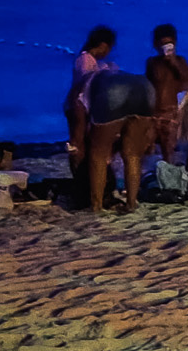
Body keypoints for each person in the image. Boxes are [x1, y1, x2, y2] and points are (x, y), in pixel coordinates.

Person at [84, 63, 156, 212]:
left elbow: (80, 124)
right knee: (132, 155)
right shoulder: (112, 72)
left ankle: (96, 206)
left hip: (113, 91)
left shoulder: (83, 87)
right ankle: (131, 203)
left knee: (98, 154)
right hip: (144, 87)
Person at [66, 26, 117, 154]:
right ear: (103, 45)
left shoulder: (91, 60)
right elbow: (87, 79)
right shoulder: (85, 59)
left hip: (83, 102)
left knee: (84, 134)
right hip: (79, 101)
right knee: (79, 135)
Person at [146, 24, 188, 160]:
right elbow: (150, 83)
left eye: (169, 44)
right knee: (146, 147)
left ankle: (168, 176)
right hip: (154, 112)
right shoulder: (153, 62)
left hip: (171, 113)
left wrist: (173, 62)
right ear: (156, 45)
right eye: (162, 44)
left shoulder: (180, 62)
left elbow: (186, 80)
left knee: (168, 151)